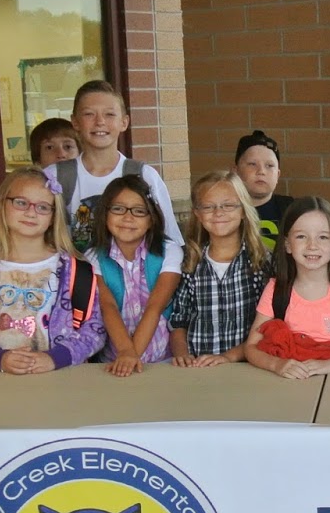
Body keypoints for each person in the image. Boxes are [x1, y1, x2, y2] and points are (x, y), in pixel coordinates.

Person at [0, 167, 106, 373]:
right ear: (2, 205)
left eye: (43, 207)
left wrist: (54, 359)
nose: (31, 212)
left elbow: (95, 330)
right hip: (0, 386)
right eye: (21, 202)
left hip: (63, 384)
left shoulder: (76, 271)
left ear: (54, 216)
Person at [52, 80, 183, 273]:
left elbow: (169, 239)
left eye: (109, 114)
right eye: (89, 114)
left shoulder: (144, 176)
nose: (100, 122)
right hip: (74, 289)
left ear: (124, 122)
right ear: (75, 122)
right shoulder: (56, 176)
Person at [245, 196, 330, 379]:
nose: (312, 246)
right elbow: (252, 347)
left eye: (323, 237)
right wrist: (277, 364)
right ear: (287, 245)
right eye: (301, 236)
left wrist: (329, 365)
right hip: (291, 383)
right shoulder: (276, 290)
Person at [168, 171, 272, 367]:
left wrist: (229, 357)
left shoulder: (260, 262)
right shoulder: (190, 262)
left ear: (243, 211)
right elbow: (179, 320)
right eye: (208, 207)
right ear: (197, 214)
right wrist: (182, 354)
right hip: (197, 367)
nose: (218, 213)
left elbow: (267, 325)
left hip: (246, 366)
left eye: (228, 205)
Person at [88, 175, 180, 376]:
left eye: (139, 211)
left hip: (161, 360)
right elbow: (108, 307)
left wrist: (132, 356)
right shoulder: (93, 258)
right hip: (113, 362)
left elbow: (155, 306)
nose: (128, 218)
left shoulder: (169, 252)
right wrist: (125, 353)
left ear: (151, 219)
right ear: (105, 214)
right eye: (118, 209)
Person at [235, 130, 292, 250]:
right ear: (236, 171)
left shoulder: (292, 210)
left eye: (269, 165)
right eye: (252, 164)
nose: (261, 171)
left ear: (278, 174)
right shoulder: (222, 211)